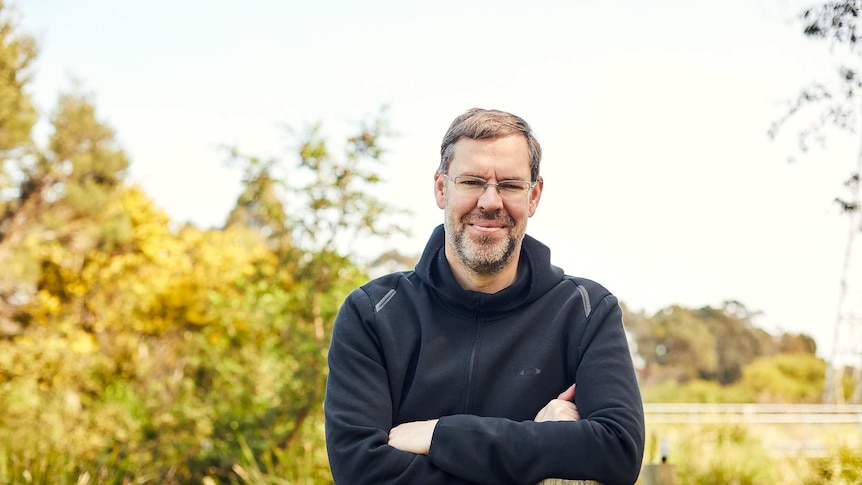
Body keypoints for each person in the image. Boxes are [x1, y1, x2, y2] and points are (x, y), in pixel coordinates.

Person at [324, 108, 645, 485]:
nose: (490, 202)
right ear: (442, 188)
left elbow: (617, 453)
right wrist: (541, 447)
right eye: (473, 181)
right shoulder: (372, 314)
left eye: (509, 185)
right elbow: (359, 472)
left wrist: (440, 436)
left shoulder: (587, 312)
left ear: (534, 196)